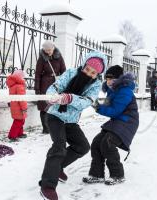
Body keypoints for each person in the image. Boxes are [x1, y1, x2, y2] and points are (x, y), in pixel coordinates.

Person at [39, 51, 107, 200]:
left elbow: (86, 101)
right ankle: (47, 185)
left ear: (97, 75)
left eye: (93, 72)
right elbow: (56, 86)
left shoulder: (95, 86)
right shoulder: (70, 73)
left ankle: (56, 168)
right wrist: (52, 96)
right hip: (55, 116)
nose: (89, 73)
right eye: (87, 69)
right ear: (84, 65)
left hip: (70, 121)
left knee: (82, 146)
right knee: (59, 146)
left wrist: (70, 98)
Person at [82, 65, 139, 185]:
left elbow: (115, 110)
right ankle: (97, 174)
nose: (108, 81)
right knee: (97, 142)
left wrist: (97, 107)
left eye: (111, 79)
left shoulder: (125, 91)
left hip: (128, 122)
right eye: (107, 79)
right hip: (117, 121)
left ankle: (117, 174)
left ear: (119, 79)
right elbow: (108, 104)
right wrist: (94, 101)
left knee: (108, 143)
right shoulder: (112, 90)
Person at [35, 40, 66, 134]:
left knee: (55, 106)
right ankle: (46, 128)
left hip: (56, 84)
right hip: (44, 84)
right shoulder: (42, 58)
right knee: (44, 107)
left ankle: (55, 127)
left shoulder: (59, 56)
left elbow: (64, 71)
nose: (48, 52)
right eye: (46, 50)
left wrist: (64, 84)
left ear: (53, 48)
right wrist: (37, 88)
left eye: (50, 49)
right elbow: (37, 74)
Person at [6, 70, 28, 141]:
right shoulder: (19, 86)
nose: (24, 79)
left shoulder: (13, 86)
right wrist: (24, 108)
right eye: (23, 78)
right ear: (19, 78)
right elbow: (22, 99)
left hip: (14, 107)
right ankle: (12, 136)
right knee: (18, 122)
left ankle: (19, 133)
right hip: (19, 107)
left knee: (20, 121)